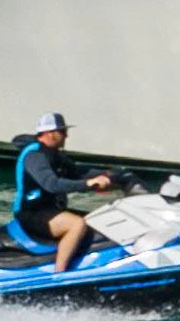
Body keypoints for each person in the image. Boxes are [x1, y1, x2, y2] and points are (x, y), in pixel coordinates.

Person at [11, 114, 112, 267]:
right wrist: (90, 184)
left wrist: (109, 174)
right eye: (63, 132)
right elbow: (52, 184)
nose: (66, 136)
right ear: (49, 133)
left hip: (50, 211)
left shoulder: (55, 154)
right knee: (76, 224)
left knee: (96, 218)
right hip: (31, 214)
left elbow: (78, 172)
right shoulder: (35, 155)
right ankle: (60, 275)